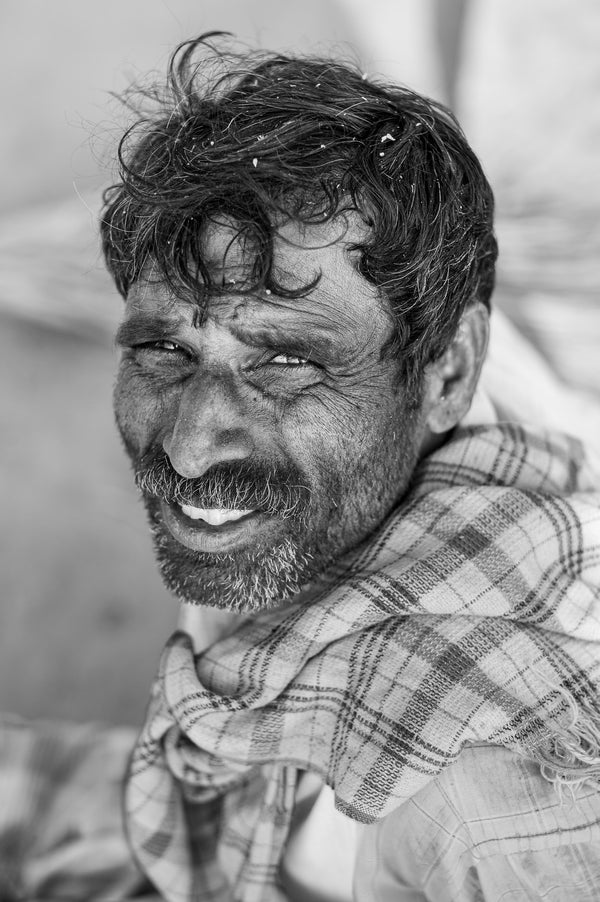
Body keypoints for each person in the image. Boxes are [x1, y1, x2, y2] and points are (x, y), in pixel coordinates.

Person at [99, 34, 600, 902]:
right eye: (161, 350)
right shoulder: (329, 496)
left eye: (285, 363)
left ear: (447, 372)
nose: (187, 446)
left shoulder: (506, 802)